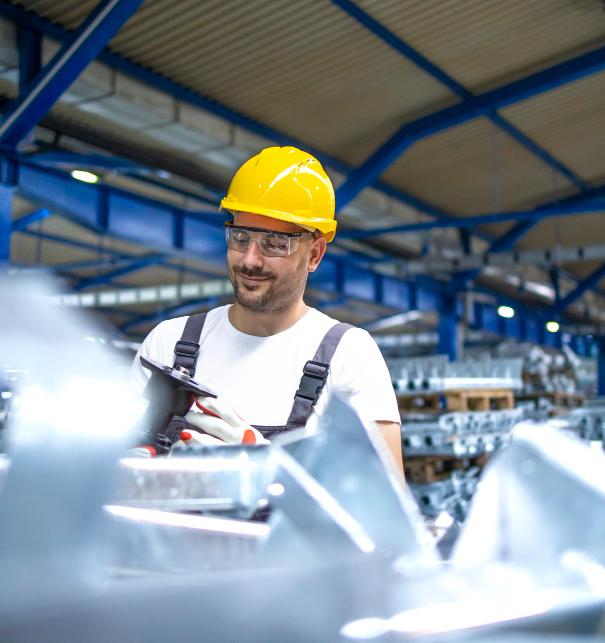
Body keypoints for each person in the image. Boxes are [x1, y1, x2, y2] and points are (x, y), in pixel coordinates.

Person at [131, 146, 403, 475]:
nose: (249, 260)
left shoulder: (349, 354)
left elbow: (385, 512)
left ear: (315, 254)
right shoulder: (169, 345)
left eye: (275, 243)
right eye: (241, 237)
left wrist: (274, 473)